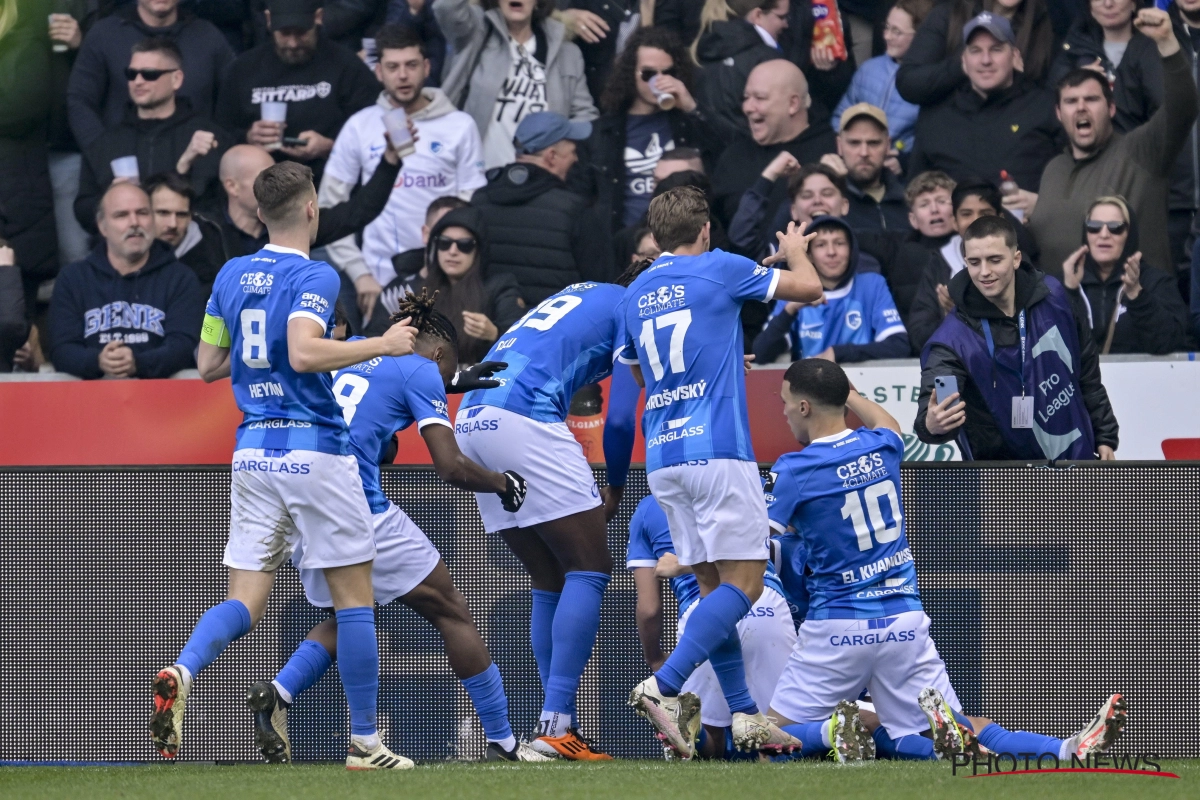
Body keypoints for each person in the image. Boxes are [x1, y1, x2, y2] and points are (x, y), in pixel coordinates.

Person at [152, 161, 420, 768]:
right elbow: (302, 352)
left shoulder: (230, 273)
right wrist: (383, 342)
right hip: (315, 450)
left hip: (252, 453)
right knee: (354, 602)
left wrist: (260, 359)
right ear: (310, 209)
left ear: (259, 212)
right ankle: (365, 743)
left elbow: (208, 363)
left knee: (246, 601)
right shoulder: (314, 275)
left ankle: (182, 668)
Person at [764, 357, 1128, 763]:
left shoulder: (793, 470)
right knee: (951, 724)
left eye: (784, 402)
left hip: (839, 625)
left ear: (803, 407)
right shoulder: (883, 445)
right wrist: (847, 392)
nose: (781, 412)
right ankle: (1062, 749)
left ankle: (833, 731)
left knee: (770, 736)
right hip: (904, 621)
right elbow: (887, 421)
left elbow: (755, 543)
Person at [245, 290, 542, 764]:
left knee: (351, 614)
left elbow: (382, 390)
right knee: (451, 610)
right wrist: (502, 483)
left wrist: (456, 380)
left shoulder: (362, 348)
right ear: (440, 352)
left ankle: (279, 692)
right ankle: (504, 742)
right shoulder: (424, 369)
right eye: (447, 369)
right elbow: (451, 467)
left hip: (303, 504)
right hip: (356, 505)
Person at [619, 186, 823, 759]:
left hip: (662, 456)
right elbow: (811, 289)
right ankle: (661, 687)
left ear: (657, 236)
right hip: (719, 451)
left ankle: (743, 714)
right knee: (747, 585)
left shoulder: (635, 293)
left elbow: (639, 373)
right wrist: (794, 249)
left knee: (710, 587)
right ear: (706, 229)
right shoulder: (722, 268)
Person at [453, 281, 625, 761]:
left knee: (549, 578)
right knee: (590, 568)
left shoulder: (583, 291)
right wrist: (615, 482)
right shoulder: (637, 303)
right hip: (524, 417)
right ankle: (555, 725)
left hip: (472, 419)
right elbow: (621, 418)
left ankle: (556, 728)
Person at [916, 215, 1119, 461]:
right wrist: (932, 425)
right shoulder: (951, 341)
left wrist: (1104, 434)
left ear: (1016, 259)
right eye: (974, 262)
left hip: (1075, 464)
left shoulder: (1053, 295)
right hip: (1003, 482)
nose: (984, 272)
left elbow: (1086, 371)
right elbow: (935, 410)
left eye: (994, 260)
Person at [319, 24, 485, 321]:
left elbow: (471, 205)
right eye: (393, 67)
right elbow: (330, 205)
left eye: (411, 65)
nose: (403, 75)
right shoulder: (360, 125)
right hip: (378, 279)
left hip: (443, 279)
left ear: (426, 67)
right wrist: (359, 273)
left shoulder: (460, 125)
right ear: (379, 72)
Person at [1025, 8, 1199, 278]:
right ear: (1059, 114)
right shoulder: (1054, 168)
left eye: (1092, 100)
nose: (1081, 108)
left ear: (1112, 108)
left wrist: (1167, 43)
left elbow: (1183, 107)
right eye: (1071, 102)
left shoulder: (1141, 152)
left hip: (1134, 310)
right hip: (1065, 313)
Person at [627, 494, 797, 761]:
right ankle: (826, 734)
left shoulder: (648, 508)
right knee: (777, 730)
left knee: (711, 742)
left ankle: (690, 728)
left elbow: (649, 610)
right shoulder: (739, 481)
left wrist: (656, 660)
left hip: (701, 613)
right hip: (762, 597)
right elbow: (793, 533)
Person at [47, 182, 204, 379]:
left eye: (142, 213)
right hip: (88, 401)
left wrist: (138, 363)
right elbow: (61, 349)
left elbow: (184, 346)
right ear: (102, 226)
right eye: (121, 215)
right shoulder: (73, 278)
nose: (134, 222)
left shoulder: (181, 278)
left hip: (163, 399)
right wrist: (98, 361)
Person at [214, 0, 381, 182]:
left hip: (329, 183)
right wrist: (248, 137)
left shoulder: (347, 67)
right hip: (263, 187)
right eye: (285, 34)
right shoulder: (243, 70)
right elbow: (220, 131)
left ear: (318, 17)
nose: (293, 43)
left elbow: (372, 132)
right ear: (269, 20)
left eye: (301, 33)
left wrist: (329, 146)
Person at [74, 37, 229, 231]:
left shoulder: (208, 137)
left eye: (149, 74)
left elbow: (219, 206)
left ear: (176, 79)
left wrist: (184, 170)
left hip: (193, 251)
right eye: (131, 74)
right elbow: (82, 210)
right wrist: (111, 199)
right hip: (125, 252)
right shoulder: (107, 142)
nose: (138, 81)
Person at [588, 27, 722, 234]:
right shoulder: (605, 130)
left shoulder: (687, 121)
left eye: (668, 73)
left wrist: (691, 107)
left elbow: (727, 151)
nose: (658, 81)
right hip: (627, 241)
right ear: (630, 73)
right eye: (648, 74)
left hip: (680, 236)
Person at [434, 0, 597, 170]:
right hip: (476, 177)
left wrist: (559, 149)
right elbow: (445, 7)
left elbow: (585, 115)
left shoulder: (567, 53)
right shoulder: (476, 31)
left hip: (539, 182)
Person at [470, 111, 612, 305]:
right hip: (558, 329)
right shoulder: (575, 209)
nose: (576, 159)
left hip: (495, 328)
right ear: (552, 156)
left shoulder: (480, 201)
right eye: (572, 152)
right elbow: (602, 285)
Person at [908, 12, 1061, 192]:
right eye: (975, 50)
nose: (985, 60)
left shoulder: (1046, 107)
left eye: (996, 49)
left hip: (1027, 219)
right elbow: (916, 192)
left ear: (1014, 55)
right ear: (964, 60)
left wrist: (1039, 206)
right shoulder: (936, 117)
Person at [66, 0, 233, 150]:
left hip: (195, 167)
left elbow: (235, 99)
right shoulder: (104, 34)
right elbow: (80, 99)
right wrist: (101, 151)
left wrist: (216, 150)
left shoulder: (208, 36)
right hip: (122, 167)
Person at [203, 140, 402, 263]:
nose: (275, 185)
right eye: (265, 177)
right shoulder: (206, 230)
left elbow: (358, 212)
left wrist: (389, 163)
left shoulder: (293, 219)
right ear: (232, 186)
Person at [753, 216, 909, 364]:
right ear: (810, 255)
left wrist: (839, 353)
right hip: (808, 387)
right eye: (821, 245)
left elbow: (899, 345)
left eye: (839, 243)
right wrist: (790, 310)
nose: (831, 252)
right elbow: (761, 353)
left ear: (852, 250)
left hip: (862, 386)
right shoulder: (792, 289)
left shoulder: (872, 284)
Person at [711, 60, 838, 231]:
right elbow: (716, 226)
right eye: (746, 98)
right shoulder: (733, 158)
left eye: (760, 98)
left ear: (793, 104)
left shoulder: (832, 149)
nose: (747, 107)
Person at [1060, 196, 1189, 355]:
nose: (1104, 234)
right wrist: (1069, 292)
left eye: (1116, 227)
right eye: (1094, 226)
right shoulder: (1065, 282)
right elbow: (1049, 345)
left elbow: (1168, 343)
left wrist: (1137, 295)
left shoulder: (1156, 281)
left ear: (1130, 234)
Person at [399, 206, 525, 364]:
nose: (452, 251)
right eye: (444, 243)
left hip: (481, 381)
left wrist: (494, 333)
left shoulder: (500, 286)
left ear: (478, 250)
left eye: (464, 245)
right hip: (427, 381)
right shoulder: (418, 288)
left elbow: (523, 343)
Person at [895, 0, 1055, 109]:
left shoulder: (1042, 27)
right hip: (946, 141)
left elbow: (1049, 105)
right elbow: (908, 83)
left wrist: (1018, 81)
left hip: (1010, 140)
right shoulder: (949, 15)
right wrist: (962, 67)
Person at [906, 181, 1007, 350]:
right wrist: (952, 319)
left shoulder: (1017, 262)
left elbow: (1025, 331)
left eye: (985, 213)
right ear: (954, 220)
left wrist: (966, 316)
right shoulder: (939, 263)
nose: (976, 221)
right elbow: (918, 336)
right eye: (966, 214)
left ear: (1001, 219)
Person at [1049, 0, 1163, 135]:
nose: (1108, 3)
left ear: (1134, 4)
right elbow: (1051, 108)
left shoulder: (1154, 49)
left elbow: (1163, 110)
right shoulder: (1075, 51)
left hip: (1139, 149)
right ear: (1090, 7)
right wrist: (1078, 81)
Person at [833, 0, 931, 155]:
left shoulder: (929, 81)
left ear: (921, 36)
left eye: (896, 31)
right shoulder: (869, 69)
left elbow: (925, 138)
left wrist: (903, 158)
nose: (887, 36)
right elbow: (840, 117)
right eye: (886, 27)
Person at [693, 0, 788, 141]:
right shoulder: (768, 59)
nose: (786, 24)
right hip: (759, 154)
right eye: (781, 17)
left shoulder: (699, 53)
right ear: (758, 15)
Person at [729, 161, 851, 262]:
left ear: (844, 205)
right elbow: (741, 237)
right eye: (807, 196)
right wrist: (770, 174)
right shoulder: (781, 258)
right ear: (793, 211)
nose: (817, 201)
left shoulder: (865, 253)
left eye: (827, 194)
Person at [824, 103, 911, 232]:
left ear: (888, 146)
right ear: (839, 145)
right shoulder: (826, 201)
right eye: (854, 143)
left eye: (873, 143)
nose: (864, 152)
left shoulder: (910, 200)